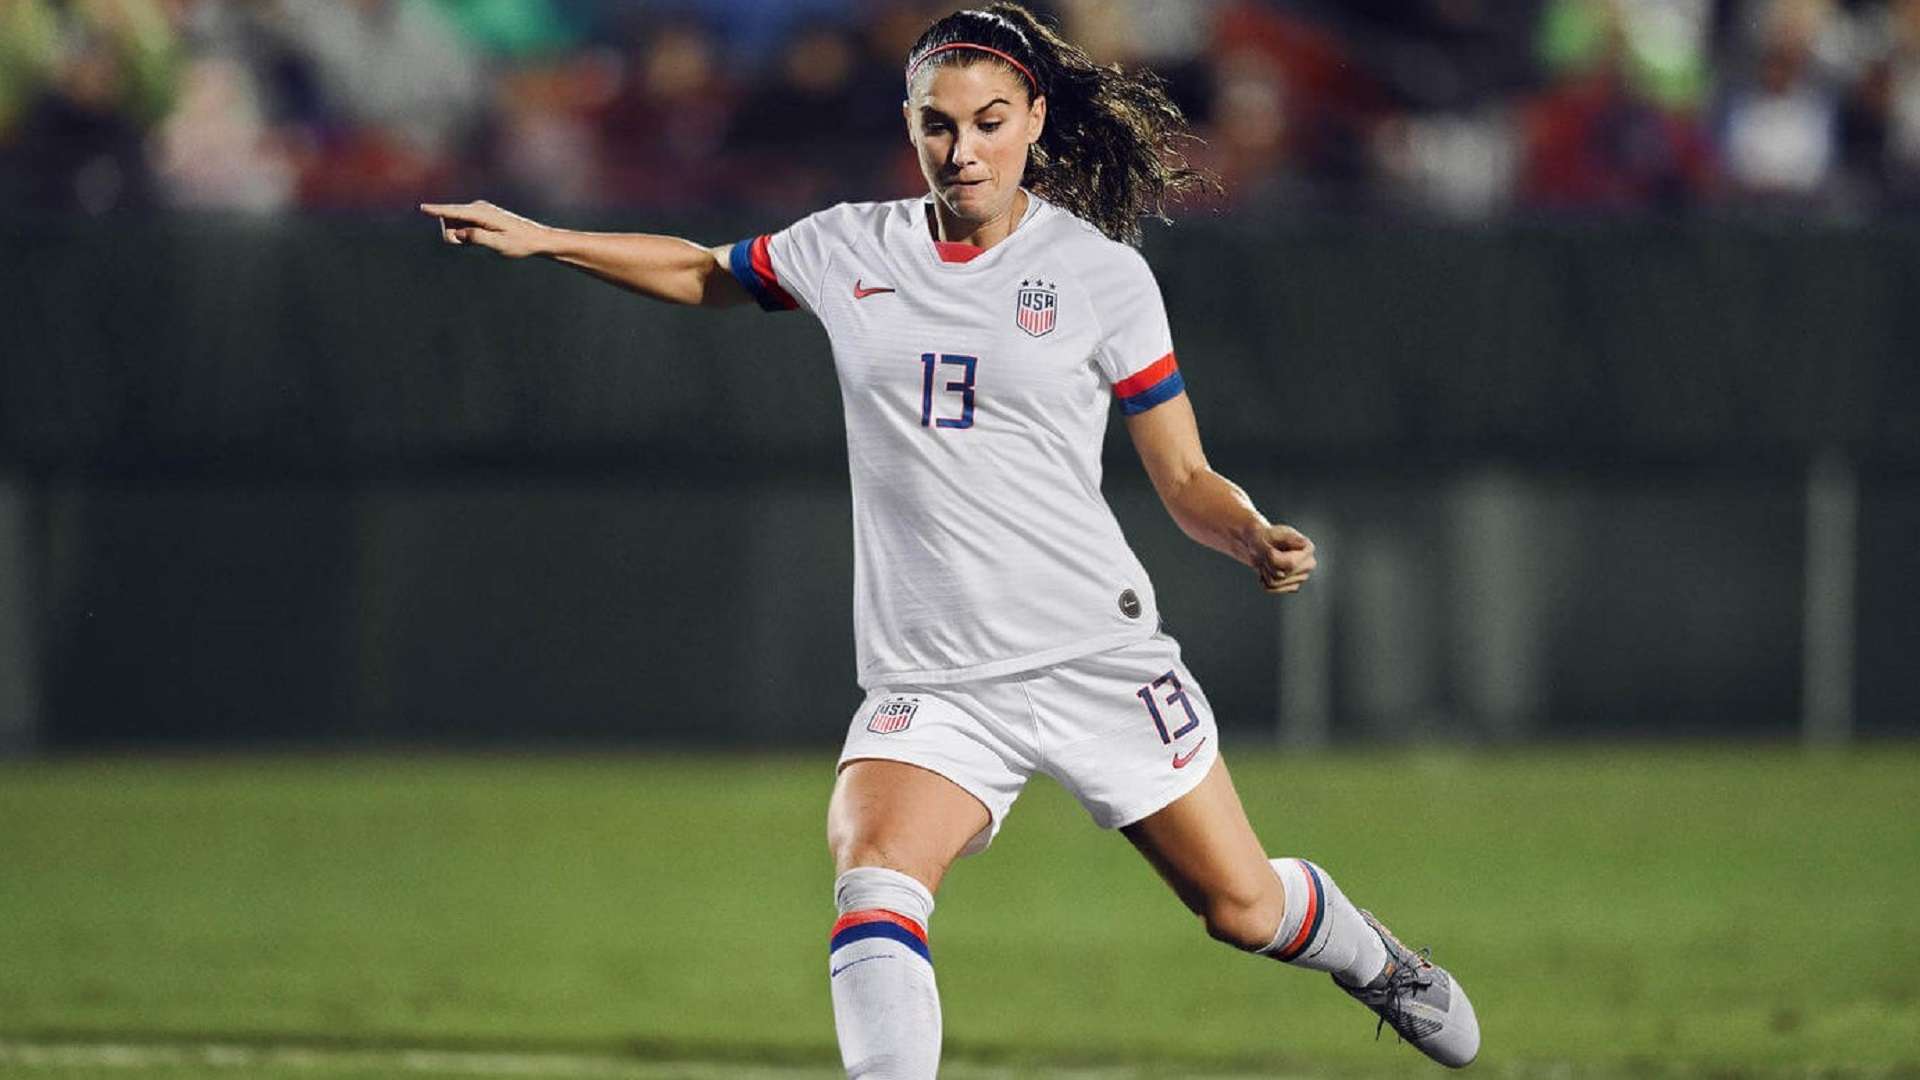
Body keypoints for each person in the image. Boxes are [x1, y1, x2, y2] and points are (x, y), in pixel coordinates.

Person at [421, 5, 1479, 1075]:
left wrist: (1247, 531)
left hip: (1091, 654)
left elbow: (1184, 475)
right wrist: (549, 238)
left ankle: (1373, 960)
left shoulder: (1100, 275)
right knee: (874, 867)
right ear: (911, 124)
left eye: (988, 120)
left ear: (1035, 120)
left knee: (1241, 907)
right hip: (936, 674)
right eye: (938, 123)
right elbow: (705, 272)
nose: (961, 148)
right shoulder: (848, 245)